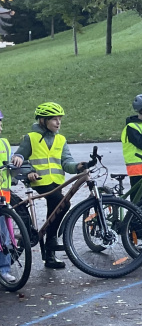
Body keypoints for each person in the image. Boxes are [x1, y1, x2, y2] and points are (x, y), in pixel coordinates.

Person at [10, 102, 94, 270]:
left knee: (54, 213)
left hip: (56, 183)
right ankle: (52, 242)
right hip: (39, 182)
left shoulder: (60, 139)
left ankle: (49, 256)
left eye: (59, 119)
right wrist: (28, 172)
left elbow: (66, 161)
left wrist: (77, 166)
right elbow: (20, 156)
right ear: (42, 120)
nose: (58, 123)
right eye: (54, 119)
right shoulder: (31, 138)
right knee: (63, 203)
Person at [0, 109, 14, 284]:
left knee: (4, 236)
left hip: (3, 198)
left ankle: (4, 269)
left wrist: (17, 160)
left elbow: (10, 165)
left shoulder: (4, 143)